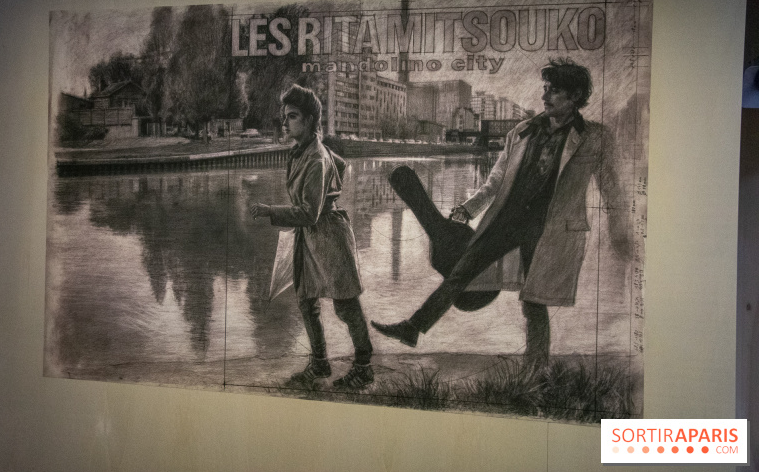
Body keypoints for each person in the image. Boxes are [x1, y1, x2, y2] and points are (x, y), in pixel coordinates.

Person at [371, 57, 630, 368]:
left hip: (550, 229)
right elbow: (495, 181)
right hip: (506, 220)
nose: (545, 96)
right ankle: (413, 329)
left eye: (554, 91)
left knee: (533, 300)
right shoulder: (523, 131)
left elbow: (612, 189)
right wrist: (469, 208)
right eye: (545, 89)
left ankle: (536, 366)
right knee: (460, 274)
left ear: (574, 97)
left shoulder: (595, 138)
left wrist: (620, 228)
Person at [250, 84, 374, 389]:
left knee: (346, 305)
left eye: (292, 117)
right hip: (311, 238)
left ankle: (364, 366)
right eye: (285, 116)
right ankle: (319, 364)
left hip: (329, 236)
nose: (285, 122)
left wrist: (270, 210)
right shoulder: (307, 150)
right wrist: (330, 191)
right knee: (306, 301)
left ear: (308, 121)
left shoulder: (316, 158)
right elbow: (341, 166)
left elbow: (308, 212)